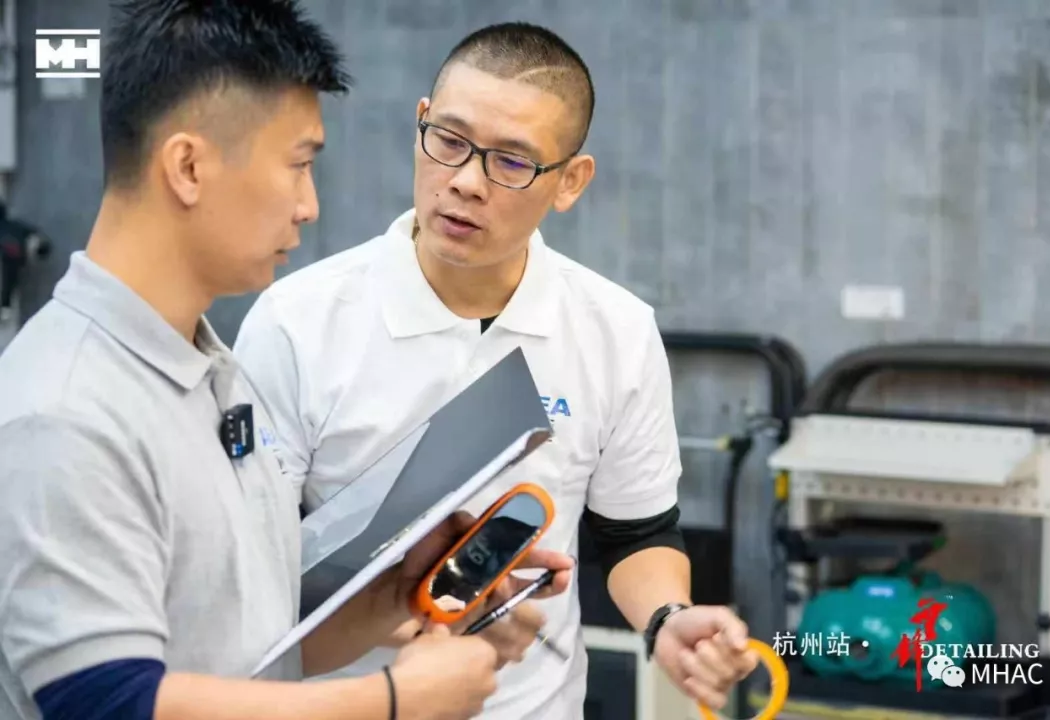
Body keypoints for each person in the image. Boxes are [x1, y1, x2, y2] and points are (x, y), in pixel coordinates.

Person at [0, 4, 570, 720]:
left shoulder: (207, 373)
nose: (308, 206)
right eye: (299, 165)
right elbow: (106, 703)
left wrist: (394, 595)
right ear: (188, 167)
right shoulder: (65, 409)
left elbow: (249, 650)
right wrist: (394, 702)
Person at [234, 20, 759, 720]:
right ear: (421, 122)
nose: (465, 182)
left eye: (512, 162)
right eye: (449, 141)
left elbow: (636, 533)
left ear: (570, 181)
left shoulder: (616, 330)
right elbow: (252, 578)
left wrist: (667, 619)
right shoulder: (296, 322)